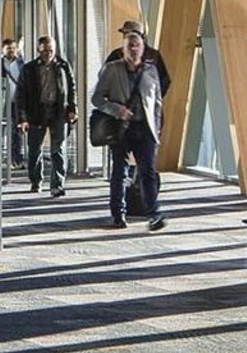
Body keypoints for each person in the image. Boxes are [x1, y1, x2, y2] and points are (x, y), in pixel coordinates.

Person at [91, 21, 169, 233]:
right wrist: (117, 110)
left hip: (145, 129)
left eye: (137, 46)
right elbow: (97, 98)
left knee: (148, 172)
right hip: (121, 128)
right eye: (129, 46)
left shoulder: (151, 70)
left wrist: (156, 127)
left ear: (143, 48)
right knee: (119, 171)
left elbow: (157, 101)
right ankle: (118, 213)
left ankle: (154, 214)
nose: (134, 49)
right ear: (123, 49)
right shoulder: (111, 69)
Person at [13, 34, 75, 199]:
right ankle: (36, 180)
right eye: (45, 50)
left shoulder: (63, 66)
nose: (48, 53)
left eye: (51, 50)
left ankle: (57, 185)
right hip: (37, 112)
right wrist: (22, 118)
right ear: (38, 50)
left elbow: (71, 88)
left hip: (58, 111)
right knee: (35, 149)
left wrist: (72, 108)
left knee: (58, 149)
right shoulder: (29, 69)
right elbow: (21, 95)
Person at [0, 36, 25, 169]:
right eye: (8, 48)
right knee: (0, 130)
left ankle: (16, 159)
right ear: (3, 50)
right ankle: (0, 157)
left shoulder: (21, 64)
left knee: (16, 131)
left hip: (16, 102)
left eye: (13, 48)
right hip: (1, 102)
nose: (11, 51)